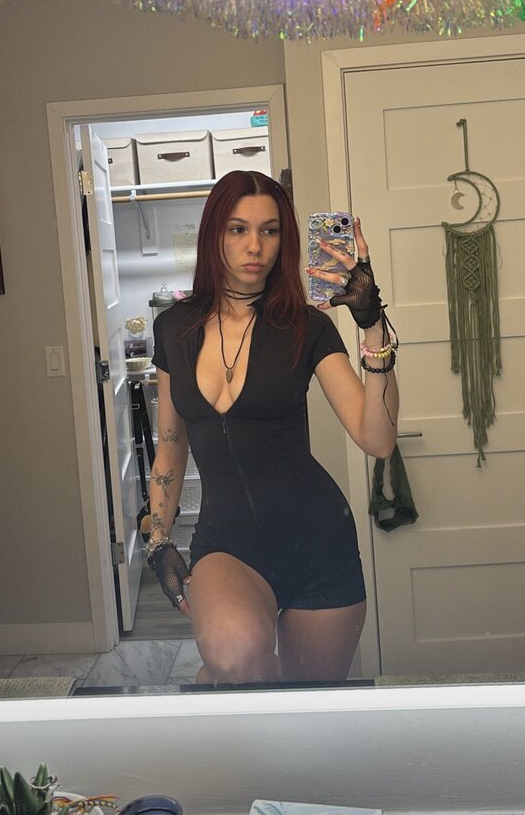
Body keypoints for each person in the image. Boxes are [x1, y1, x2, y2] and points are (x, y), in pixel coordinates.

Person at [146, 170, 398, 685]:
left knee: (310, 711)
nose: (255, 247)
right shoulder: (174, 328)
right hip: (227, 544)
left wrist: (373, 325)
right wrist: (157, 540)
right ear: (214, 235)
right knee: (234, 656)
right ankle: (234, 682)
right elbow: (170, 448)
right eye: (238, 229)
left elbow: (377, 438)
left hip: (318, 543)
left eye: (270, 230)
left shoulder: (307, 326)